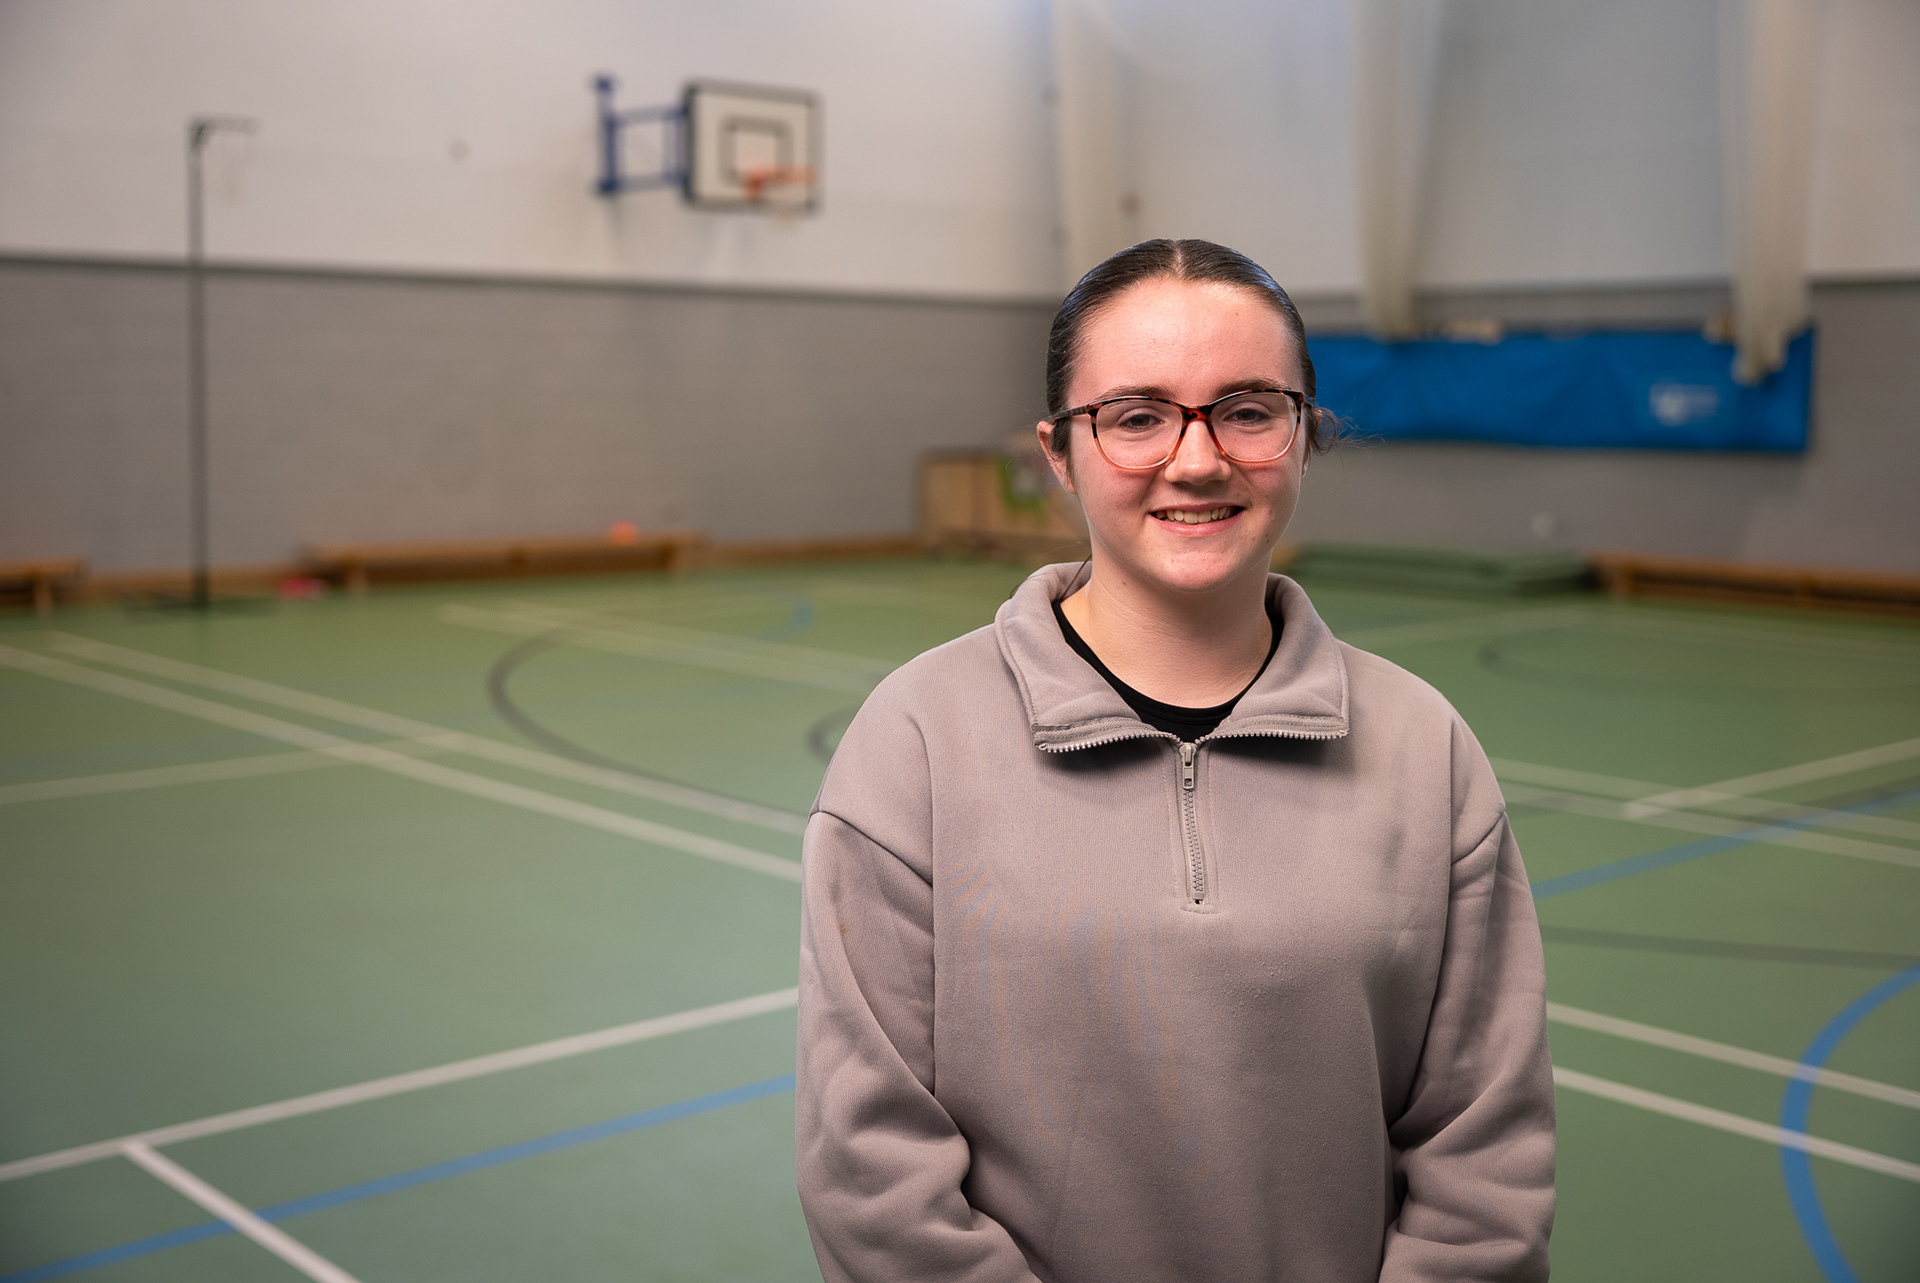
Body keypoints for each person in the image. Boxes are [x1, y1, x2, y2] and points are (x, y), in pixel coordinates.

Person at [796, 239, 1555, 1282]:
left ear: (1304, 434)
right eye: (1136, 416)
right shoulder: (915, 741)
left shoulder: (1426, 747)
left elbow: (1484, 1161)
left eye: (1247, 410)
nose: (1197, 460)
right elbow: (871, 1169)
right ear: (1059, 451)